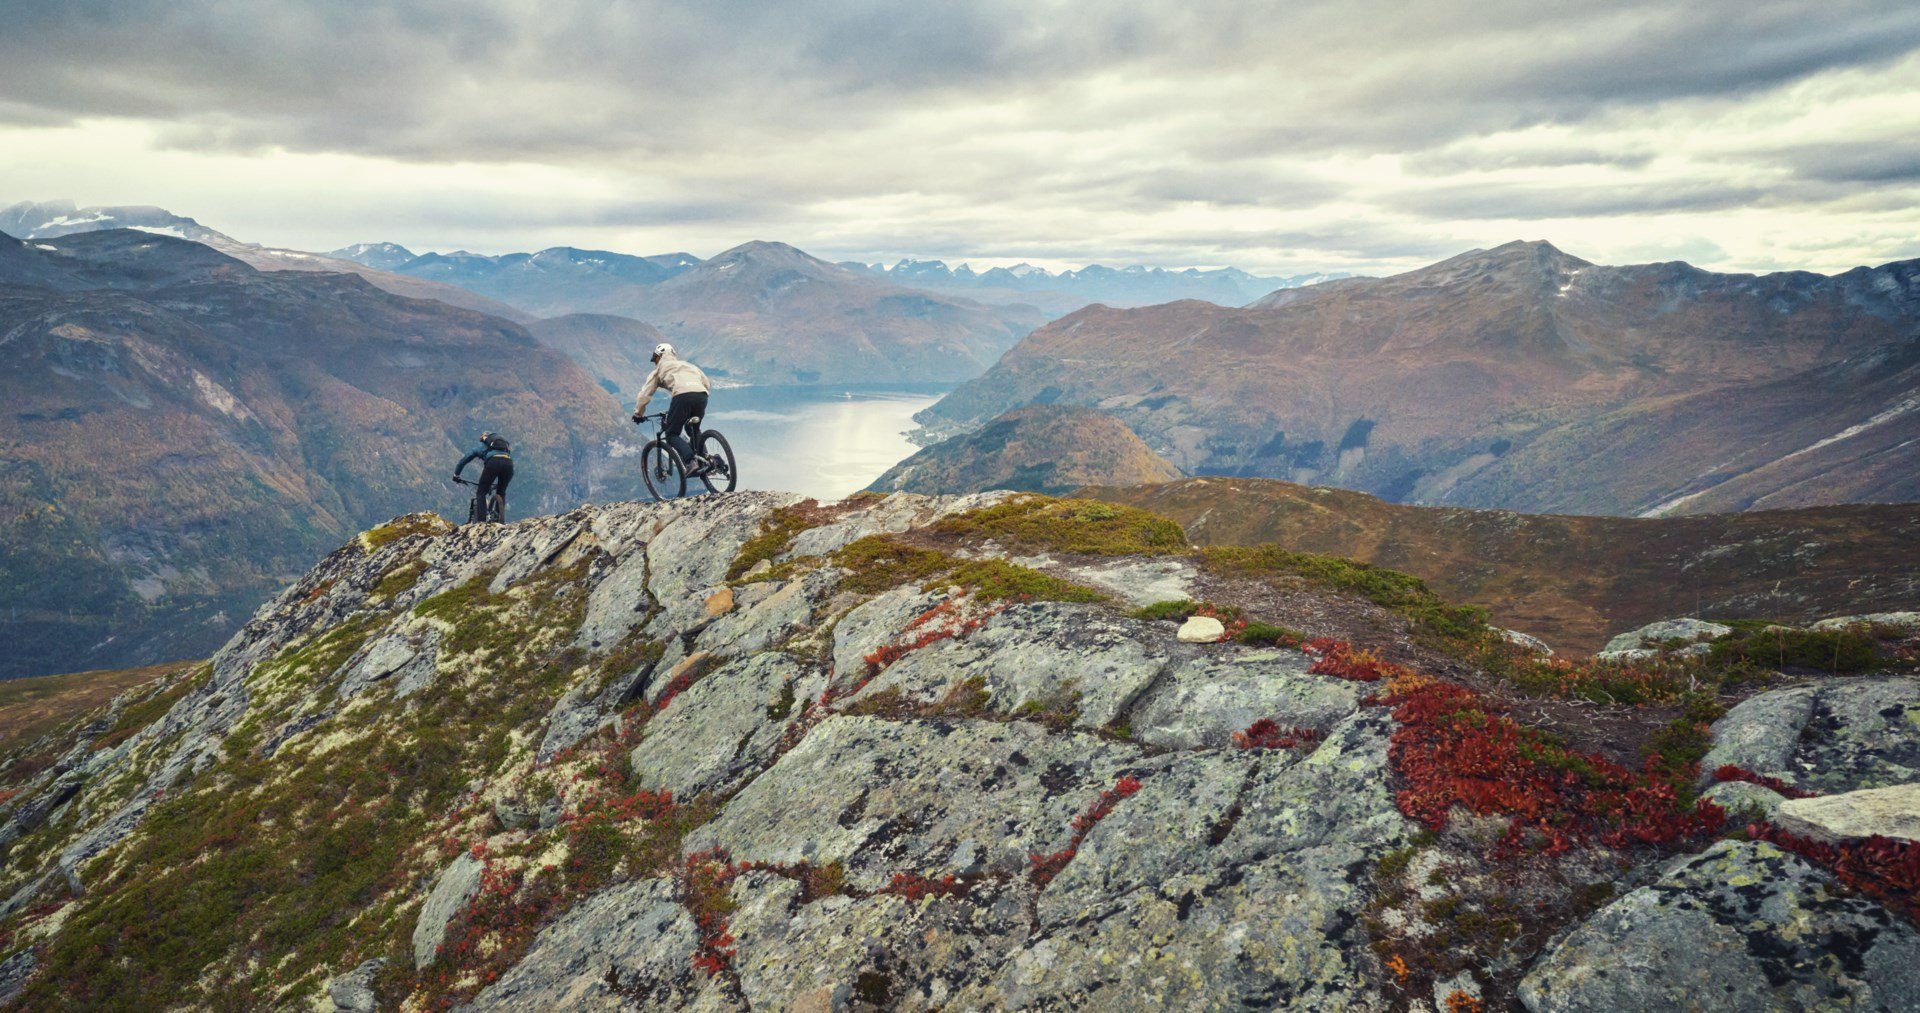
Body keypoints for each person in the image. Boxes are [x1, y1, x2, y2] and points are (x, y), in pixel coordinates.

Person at [631, 343, 713, 474]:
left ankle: (690, 461)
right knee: (693, 428)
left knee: (671, 434)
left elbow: (645, 394)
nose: (655, 363)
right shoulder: (689, 365)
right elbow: (706, 383)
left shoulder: (659, 370)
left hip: (682, 396)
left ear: (659, 357)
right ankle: (708, 460)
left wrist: (638, 413)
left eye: (655, 359)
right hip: (702, 395)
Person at [454, 430, 513, 522]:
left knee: (481, 493)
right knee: (501, 492)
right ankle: (499, 520)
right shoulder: (503, 446)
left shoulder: (480, 447)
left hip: (493, 463)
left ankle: (481, 522)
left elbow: (464, 460)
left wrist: (456, 474)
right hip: (508, 463)